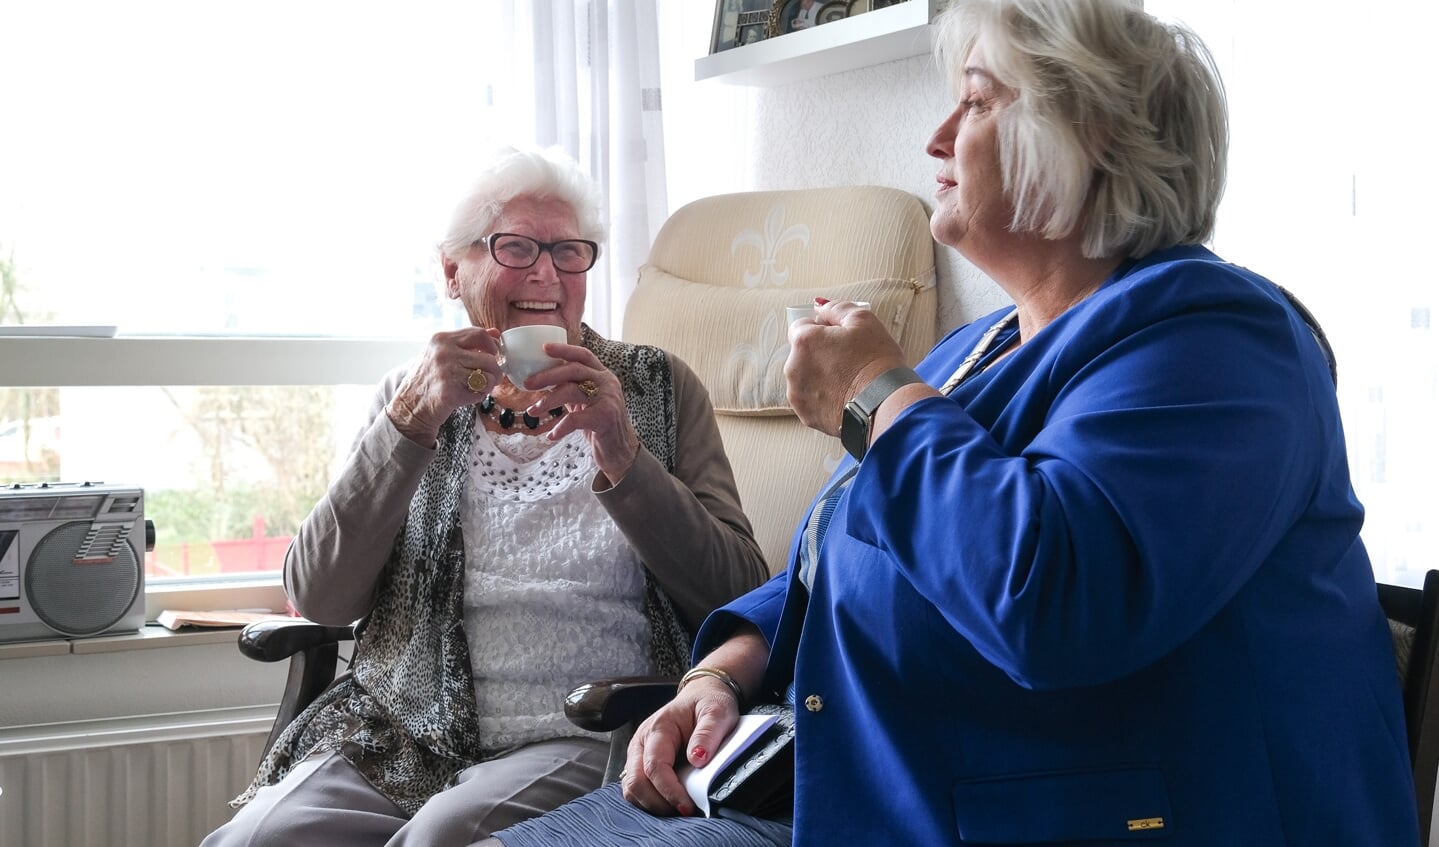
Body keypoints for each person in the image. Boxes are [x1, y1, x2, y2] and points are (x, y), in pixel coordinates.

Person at [479, 1, 1420, 845]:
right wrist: (718, 675)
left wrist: (879, 395)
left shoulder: (1220, 338)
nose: (935, 138)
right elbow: (824, 557)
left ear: (1088, 132)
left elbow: (1053, 597)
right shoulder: (970, 351)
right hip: (863, 790)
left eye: (973, 103)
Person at [201, 146, 769, 846]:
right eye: (516, 247)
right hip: (405, 731)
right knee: (253, 840)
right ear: (451, 270)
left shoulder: (654, 389)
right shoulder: (411, 396)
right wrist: (408, 423)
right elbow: (320, 595)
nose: (546, 273)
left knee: (443, 835)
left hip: (584, 728)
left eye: (569, 251)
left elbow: (737, 592)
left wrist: (623, 454)